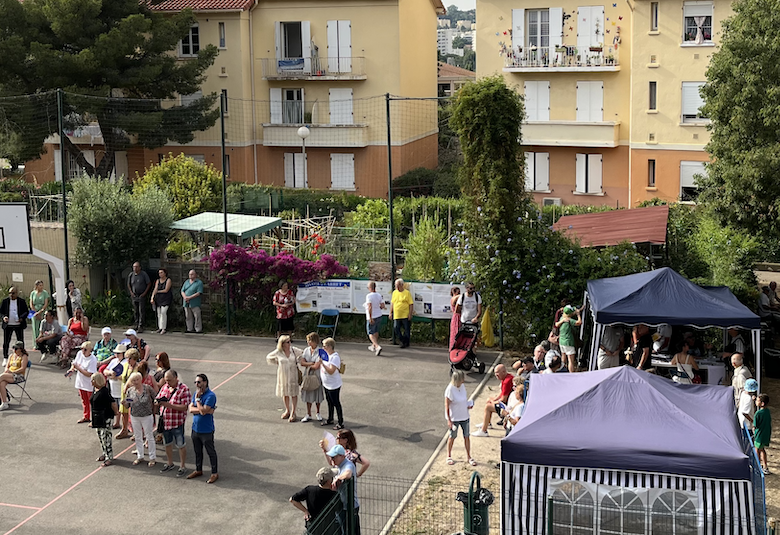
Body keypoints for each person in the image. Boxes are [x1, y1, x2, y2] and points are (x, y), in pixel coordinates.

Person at [156, 369, 191, 477]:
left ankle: (182, 466)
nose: (167, 383)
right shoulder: (165, 387)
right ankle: (169, 463)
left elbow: (185, 407)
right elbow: (158, 397)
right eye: (166, 380)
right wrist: (157, 402)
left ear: (176, 378)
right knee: (167, 443)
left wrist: (168, 405)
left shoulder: (184, 389)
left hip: (177, 422)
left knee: (181, 445)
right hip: (166, 422)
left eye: (169, 380)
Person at [188, 373, 219, 483]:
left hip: (206, 430)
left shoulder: (210, 396)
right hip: (195, 428)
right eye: (195, 382)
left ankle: (214, 473)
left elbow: (203, 410)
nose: (197, 384)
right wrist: (203, 410)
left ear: (205, 382)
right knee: (197, 451)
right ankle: (198, 469)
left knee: (210, 452)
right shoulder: (196, 394)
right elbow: (191, 409)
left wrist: (198, 402)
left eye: (199, 382)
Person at [289, 467, 338, 534]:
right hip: (328, 527)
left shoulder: (310, 490)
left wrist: (305, 511)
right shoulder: (334, 495)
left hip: (313, 526)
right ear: (329, 481)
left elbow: (292, 500)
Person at [325, 444, 360, 535]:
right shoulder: (338, 465)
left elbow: (348, 474)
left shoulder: (348, 465)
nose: (332, 460)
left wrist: (338, 478)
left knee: (350, 531)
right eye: (331, 457)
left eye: (334, 457)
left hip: (350, 507)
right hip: (342, 505)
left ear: (342, 456)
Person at [267, 334, 303, 422]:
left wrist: (299, 360)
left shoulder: (293, 350)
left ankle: (293, 412)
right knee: (285, 393)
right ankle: (287, 410)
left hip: (293, 374)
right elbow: (268, 357)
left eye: (290, 341)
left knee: (294, 393)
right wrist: (277, 363)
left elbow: (303, 353)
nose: (289, 343)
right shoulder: (278, 351)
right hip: (283, 375)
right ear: (282, 344)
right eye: (287, 342)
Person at [124, 371, 157, 466]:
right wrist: (125, 403)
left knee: (149, 436)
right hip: (135, 416)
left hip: (147, 415)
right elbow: (128, 404)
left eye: (137, 379)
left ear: (141, 379)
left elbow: (156, 398)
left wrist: (154, 410)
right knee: (138, 436)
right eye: (133, 380)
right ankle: (140, 456)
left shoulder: (147, 388)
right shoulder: (130, 391)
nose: (135, 382)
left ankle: (152, 457)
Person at [472, 364, 514, 437]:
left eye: (497, 373)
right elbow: (502, 393)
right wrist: (493, 399)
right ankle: (487, 422)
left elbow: (503, 399)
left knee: (488, 407)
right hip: (508, 402)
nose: (496, 375)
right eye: (495, 373)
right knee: (489, 400)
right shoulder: (505, 378)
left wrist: (494, 402)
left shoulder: (507, 381)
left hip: (508, 406)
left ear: (503, 372)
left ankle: (484, 430)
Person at [445, 369, 475, 466]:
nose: (464, 380)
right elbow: (447, 406)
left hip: (464, 416)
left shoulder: (462, 386)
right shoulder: (450, 389)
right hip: (455, 418)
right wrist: (449, 420)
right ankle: (448, 455)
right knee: (452, 436)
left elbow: (463, 400)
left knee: (467, 436)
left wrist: (468, 405)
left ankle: (469, 456)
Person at [90, 373, 118, 467]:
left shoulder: (104, 391)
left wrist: (116, 413)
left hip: (105, 417)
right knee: (100, 437)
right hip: (97, 417)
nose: (91, 382)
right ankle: (104, 453)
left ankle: (109, 457)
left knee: (106, 437)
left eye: (93, 380)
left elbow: (113, 403)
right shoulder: (95, 390)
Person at [116, 348, 141, 439]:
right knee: (123, 411)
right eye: (127, 358)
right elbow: (123, 377)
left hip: (133, 392)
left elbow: (137, 380)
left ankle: (135, 431)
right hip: (124, 391)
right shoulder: (126, 365)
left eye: (130, 358)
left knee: (133, 412)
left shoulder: (138, 368)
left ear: (135, 358)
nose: (128, 360)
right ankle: (124, 429)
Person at [70, 341, 98, 424]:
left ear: (90, 350)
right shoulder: (79, 354)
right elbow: (74, 363)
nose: (83, 351)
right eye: (82, 348)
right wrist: (72, 369)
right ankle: (86, 416)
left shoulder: (93, 359)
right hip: (81, 381)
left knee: (91, 401)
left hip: (89, 383)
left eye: (85, 349)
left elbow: (89, 374)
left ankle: (94, 419)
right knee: (84, 400)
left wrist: (78, 368)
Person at [320, 337, 344, 430]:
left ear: (330, 346)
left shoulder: (335, 357)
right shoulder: (326, 355)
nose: (323, 348)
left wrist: (322, 364)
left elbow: (331, 371)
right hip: (326, 383)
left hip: (333, 384)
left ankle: (340, 422)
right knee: (329, 402)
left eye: (325, 346)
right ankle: (330, 418)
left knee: (336, 403)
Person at [300, 332, 325, 423]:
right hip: (307, 374)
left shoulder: (320, 351)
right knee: (308, 392)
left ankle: (318, 412)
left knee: (317, 393)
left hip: (317, 374)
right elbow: (302, 362)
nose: (308, 343)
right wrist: (311, 363)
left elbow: (317, 366)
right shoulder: (306, 350)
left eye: (310, 341)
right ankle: (308, 414)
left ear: (315, 341)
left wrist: (308, 364)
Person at [103, 344, 127, 429]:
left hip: (121, 387)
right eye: (116, 353)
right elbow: (105, 370)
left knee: (122, 406)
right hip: (112, 386)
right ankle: (116, 422)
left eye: (119, 353)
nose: (117, 355)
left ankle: (121, 424)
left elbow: (127, 376)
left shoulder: (126, 363)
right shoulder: (113, 361)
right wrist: (110, 373)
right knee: (114, 405)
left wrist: (116, 377)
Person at [1, 286, 29, 362]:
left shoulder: (21, 301)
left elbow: (26, 311)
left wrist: (21, 318)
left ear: (17, 293)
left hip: (18, 325)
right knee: (6, 341)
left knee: (20, 341)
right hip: (8, 324)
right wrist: (4, 317)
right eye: (9, 293)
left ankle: (22, 357)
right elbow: (1, 312)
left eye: (13, 293)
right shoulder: (5, 301)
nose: (11, 295)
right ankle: (5, 357)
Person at [0, 341, 28, 410]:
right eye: (13, 348)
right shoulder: (11, 356)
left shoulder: (24, 357)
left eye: (16, 348)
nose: (14, 350)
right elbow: (7, 366)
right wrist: (7, 370)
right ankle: (4, 403)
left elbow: (22, 368)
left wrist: (12, 372)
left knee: (1, 376)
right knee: (1, 384)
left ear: (20, 349)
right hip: (9, 375)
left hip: (18, 375)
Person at [555, 305, 581, 372]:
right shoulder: (569, 320)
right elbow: (579, 322)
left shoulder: (562, 319)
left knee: (563, 358)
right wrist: (578, 315)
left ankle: (561, 371)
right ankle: (571, 374)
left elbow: (556, 324)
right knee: (570, 361)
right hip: (568, 342)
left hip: (561, 341)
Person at [127, 261, 151, 332]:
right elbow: (128, 284)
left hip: (141, 295)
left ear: (139, 267)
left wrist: (144, 293)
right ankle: (136, 324)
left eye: (136, 267)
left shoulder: (143, 274)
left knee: (141, 311)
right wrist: (131, 292)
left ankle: (141, 325)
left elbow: (149, 283)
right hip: (134, 295)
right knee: (135, 310)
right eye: (134, 267)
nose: (135, 268)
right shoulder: (131, 275)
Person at [389, 279, 413, 348]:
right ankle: (402, 340)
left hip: (405, 314)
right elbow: (392, 303)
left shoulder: (407, 293)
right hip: (397, 315)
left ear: (402, 285)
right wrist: (390, 312)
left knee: (406, 329)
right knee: (396, 328)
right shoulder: (394, 293)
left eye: (398, 285)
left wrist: (410, 314)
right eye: (396, 285)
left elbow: (411, 304)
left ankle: (406, 343)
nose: (397, 287)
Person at [150, 268, 173, 334]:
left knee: (163, 312)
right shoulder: (158, 280)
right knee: (159, 313)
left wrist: (158, 291)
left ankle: (164, 328)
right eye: (159, 273)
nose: (160, 274)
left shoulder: (168, 280)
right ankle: (160, 327)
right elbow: (155, 289)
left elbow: (166, 290)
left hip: (166, 298)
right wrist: (152, 297)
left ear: (165, 273)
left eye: (161, 272)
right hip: (159, 299)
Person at [364, 281, 384, 355]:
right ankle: (374, 345)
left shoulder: (369, 296)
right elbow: (382, 305)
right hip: (379, 315)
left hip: (372, 316)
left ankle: (377, 346)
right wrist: (377, 307)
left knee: (370, 333)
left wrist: (370, 317)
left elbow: (369, 306)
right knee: (376, 331)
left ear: (370, 288)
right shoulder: (379, 295)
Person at [182, 269, 204, 334]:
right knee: (188, 316)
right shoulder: (186, 282)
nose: (190, 276)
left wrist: (189, 297)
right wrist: (185, 297)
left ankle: (198, 329)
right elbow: (182, 290)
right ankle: (189, 328)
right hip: (186, 302)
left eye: (192, 274)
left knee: (197, 316)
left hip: (195, 302)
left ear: (195, 275)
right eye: (189, 274)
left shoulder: (199, 282)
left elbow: (199, 292)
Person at [754, 394, 772, 475]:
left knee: (757, 450)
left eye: (757, 401)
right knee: (762, 449)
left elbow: (755, 425)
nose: (755, 402)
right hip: (766, 434)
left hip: (759, 435)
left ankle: (758, 466)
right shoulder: (767, 411)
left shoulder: (758, 413)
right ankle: (765, 466)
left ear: (762, 403)